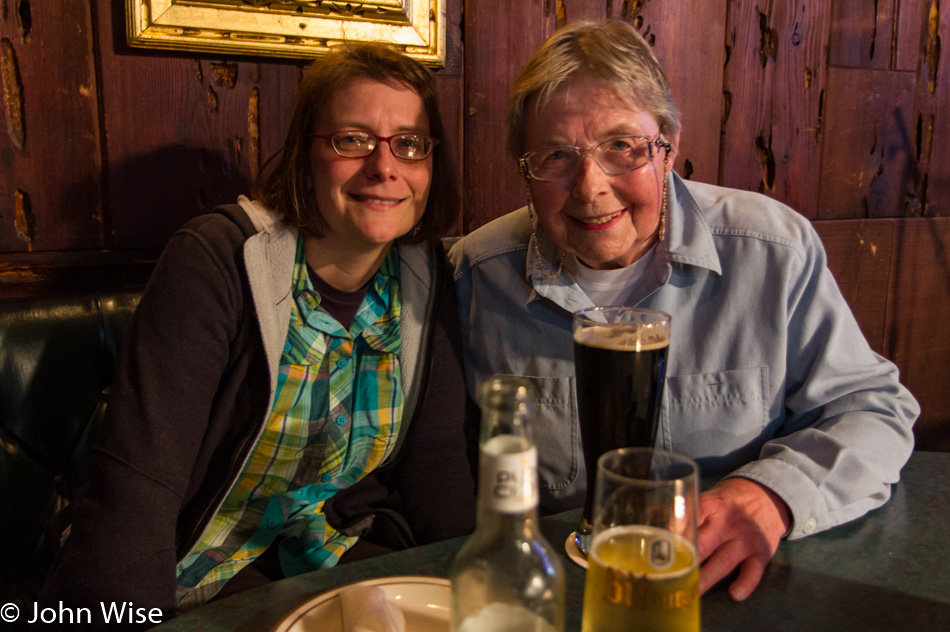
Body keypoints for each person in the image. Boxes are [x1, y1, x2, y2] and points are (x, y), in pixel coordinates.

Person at [449, 20, 919, 602]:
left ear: (667, 147)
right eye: (555, 156)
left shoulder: (771, 251)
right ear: (525, 169)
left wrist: (772, 496)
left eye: (622, 147)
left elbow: (872, 408)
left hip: (729, 590)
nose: (591, 187)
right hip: (559, 591)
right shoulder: (477, 274)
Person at [41, 42, 475, 624]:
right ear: (305, 154)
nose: (384, 165)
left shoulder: (425, 274)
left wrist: (484, 592)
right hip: (185, 578)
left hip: (330, 566)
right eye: (352, 139)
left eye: (410, 143)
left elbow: (436, 462)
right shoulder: (216, 260)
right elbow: (135, 493)